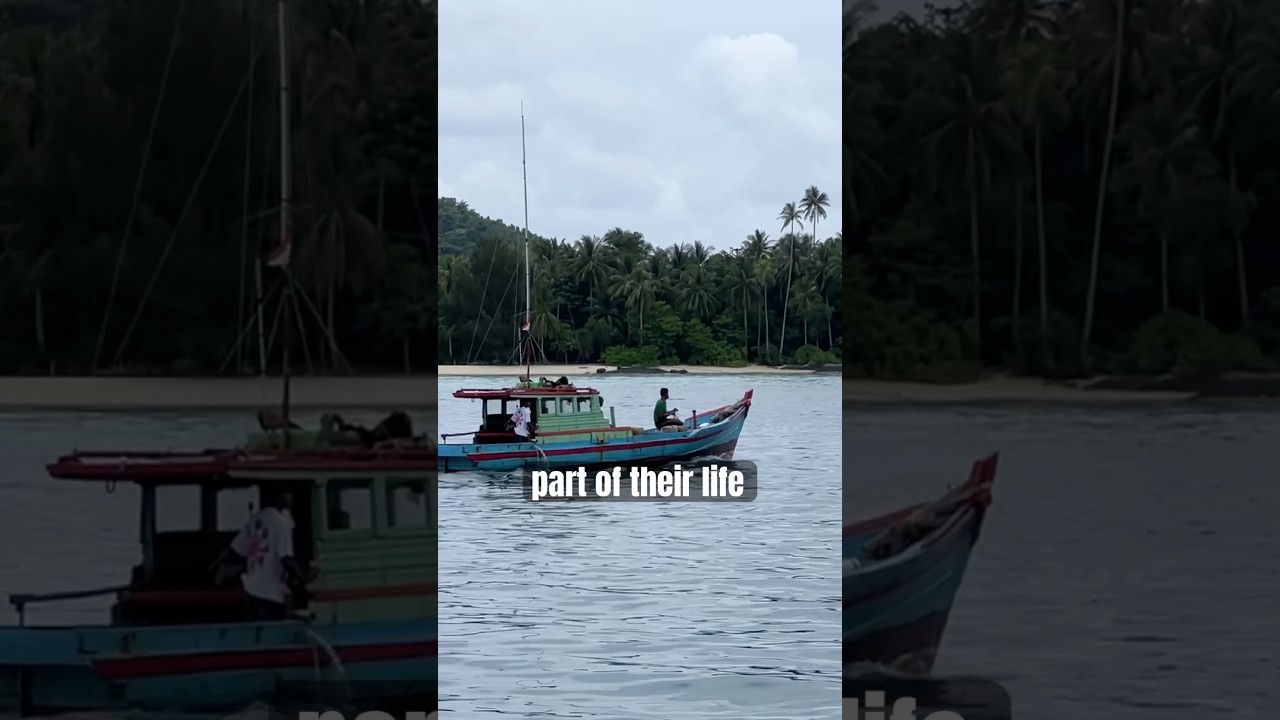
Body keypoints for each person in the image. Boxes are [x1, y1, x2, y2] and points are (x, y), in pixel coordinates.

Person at [222, 490, 308, 621]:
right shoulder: (282, 523)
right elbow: (286, 558)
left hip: (251, 590)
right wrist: (304, 579)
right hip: (271, 593)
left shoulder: (255, 519)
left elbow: (236, 549)